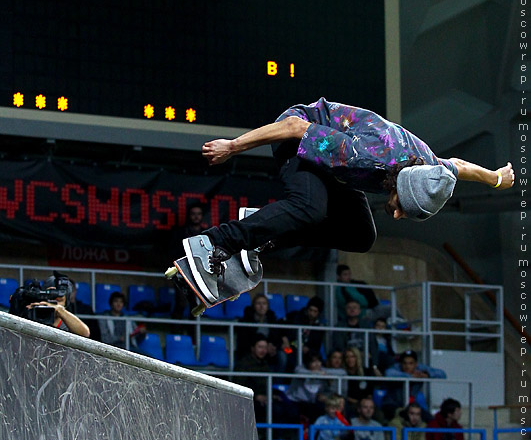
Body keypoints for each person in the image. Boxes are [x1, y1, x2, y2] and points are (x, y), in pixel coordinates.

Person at [177, 97, 514, 303]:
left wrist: (496, 178)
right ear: (399, 183)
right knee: (310, 207)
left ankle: (262, 234)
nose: (396, 214)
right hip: (299, 134)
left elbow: (460, 167)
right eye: (400, 206)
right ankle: (214, 242)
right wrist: (232, 146)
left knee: (362, 235)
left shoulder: (430, 170)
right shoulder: (363, 155)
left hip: (334, 165)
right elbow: (295, 126)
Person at [26, 273, 90, 338]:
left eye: (59, 300)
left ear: (66, 302)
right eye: (50, 298)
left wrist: (59, 310)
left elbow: (85, 333)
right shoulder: (33, 315)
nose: (54, 303)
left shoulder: (69, 323)